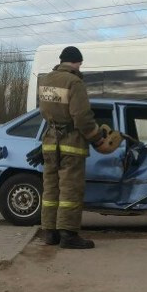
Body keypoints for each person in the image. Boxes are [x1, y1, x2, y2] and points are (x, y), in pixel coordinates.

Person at [37, 45, 108, 250]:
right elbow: (82, 117)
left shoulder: (46, 80)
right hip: (70, 144)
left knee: (50, 189)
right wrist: (96, 138)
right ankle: (68, 234)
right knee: (70, 190)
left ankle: (49, 233)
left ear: (61, 61)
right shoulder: (74, 82)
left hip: (50, 141)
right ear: (77, 62)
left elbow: (44, 111)